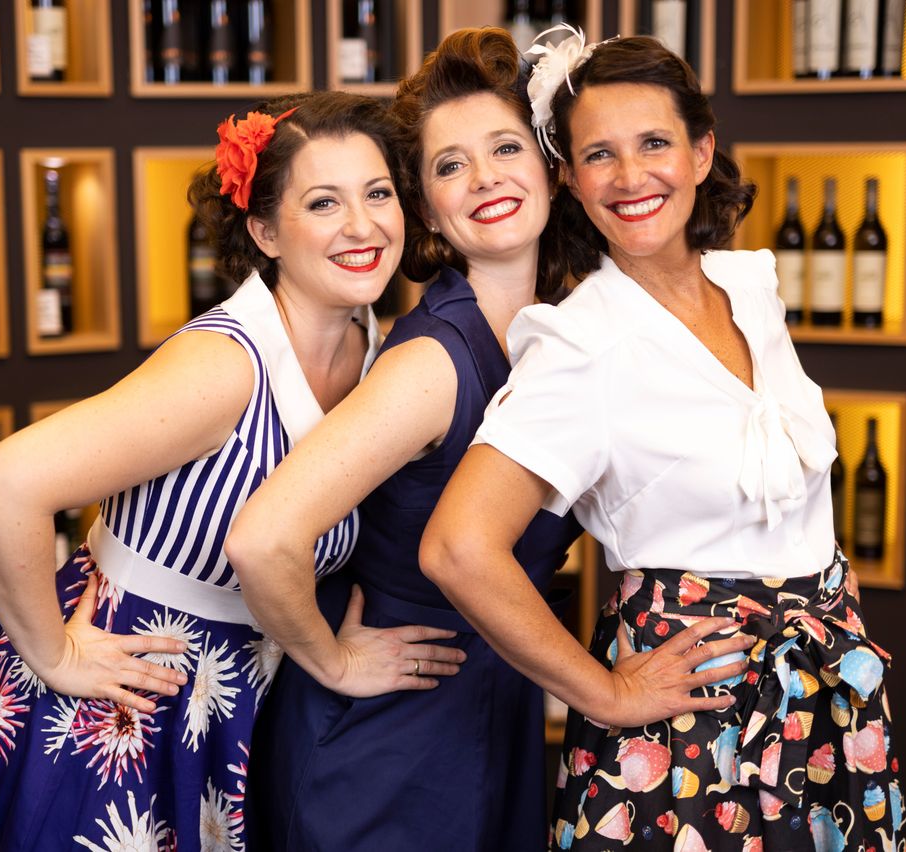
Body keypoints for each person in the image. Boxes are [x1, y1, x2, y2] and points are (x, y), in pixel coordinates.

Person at [227, 29, 750, 851]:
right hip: (382, 743)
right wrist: (333, 661)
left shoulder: (569, 329)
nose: (484, 179)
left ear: (551, 167)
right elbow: (263, 539)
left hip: (494, 709)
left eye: (505, 148)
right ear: (428, 206)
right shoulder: (433, 362)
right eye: (449, 165)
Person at [0, 91, 462, 851]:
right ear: (265, 232)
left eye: (377, 193)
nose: (362, 225)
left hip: (227, 699)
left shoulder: (371, 344)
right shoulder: (225, 366)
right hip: (121, 694)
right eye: (324, 202)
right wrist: (55, 654)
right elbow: (2, 485)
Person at [421, 33, 906, 850]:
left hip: (823, 700)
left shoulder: (750, 285)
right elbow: (458, 547)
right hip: (690, 732)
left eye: (653, 143)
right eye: (598, 155)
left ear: (701, 151)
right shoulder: (581, 343)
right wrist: (608, 693)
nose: (629, 176)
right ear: (569, 178)